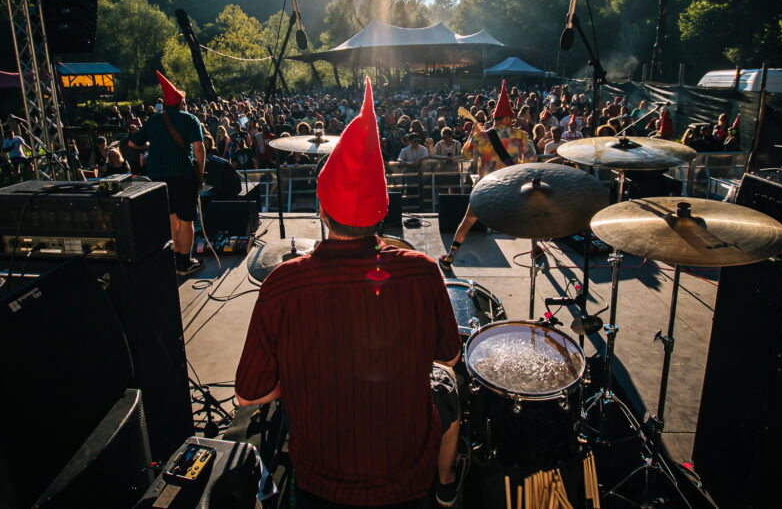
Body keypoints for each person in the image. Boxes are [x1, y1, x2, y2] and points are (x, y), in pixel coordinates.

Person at [236, 78, 466, 508]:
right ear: (383, 212)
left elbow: (250, 394)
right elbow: (449, 357)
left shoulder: (281, 285)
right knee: (448, 387)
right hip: (408, 480)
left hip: (320, 483)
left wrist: (309, 377)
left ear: (321, 209)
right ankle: (447, 480)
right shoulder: (423, 272)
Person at [439, 80, 531, 275]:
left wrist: (473, 134)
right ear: (507, 118)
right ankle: (537, 249)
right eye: (512, 118)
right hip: (512, 187)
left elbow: (465, 155)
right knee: (530, 215)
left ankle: (449, 258)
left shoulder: (482, 137)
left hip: (486, 188)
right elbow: (532, 160)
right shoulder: (520, 135)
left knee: (467, 221)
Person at [129, 71, 206, 276]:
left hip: (157, 177)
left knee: (171, 218)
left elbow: (131, 143)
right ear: (181, 103)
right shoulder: (190, 120)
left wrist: (153, 146)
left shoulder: (154, 120)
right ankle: (184, 262)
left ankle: (171, 260)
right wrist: (200, 172)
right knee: (187, 219)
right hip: (183, 175)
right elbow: (198, 148)